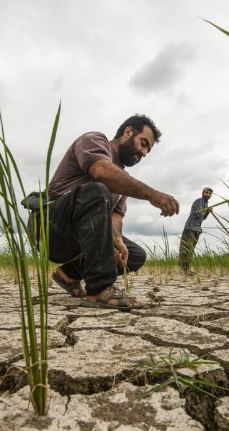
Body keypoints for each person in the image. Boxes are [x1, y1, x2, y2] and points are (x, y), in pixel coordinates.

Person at [42, 114, 179, 310]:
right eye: (143, 143)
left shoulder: (122, 179)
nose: (144, 153)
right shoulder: (94, 140)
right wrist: (152, 195)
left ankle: (68, 274)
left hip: (81, 238)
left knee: (135, 255)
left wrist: (117, 242)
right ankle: (99, 289)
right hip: (50, 227)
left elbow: (115, 218)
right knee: (97, 189)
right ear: (128, 132)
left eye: (148, 150)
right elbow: (101, 171)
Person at [178, 187, 213, 274]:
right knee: (187, 248)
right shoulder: (198, 201)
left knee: (191, 249)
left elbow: (203, 218)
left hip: (197, 229)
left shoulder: (205, 204)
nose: (208, 194)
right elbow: (199, 214)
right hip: (190, 228)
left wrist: (208, 212)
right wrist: (206, 211)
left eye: (209, 193)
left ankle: (186, 268)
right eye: (206, 193)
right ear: (202, 193)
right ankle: (184, 269)